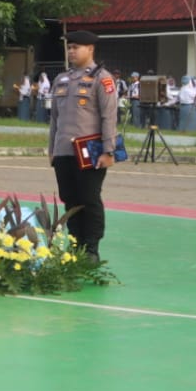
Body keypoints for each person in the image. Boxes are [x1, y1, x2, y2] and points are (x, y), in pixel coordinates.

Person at [48, 31, 119, 260]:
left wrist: (109, 151)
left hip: (91, 152)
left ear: (90, 49)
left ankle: (91, 248)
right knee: (69, 198)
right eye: (69, 47)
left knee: (89, 198)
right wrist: (52, 150)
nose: (71, 51)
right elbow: (54, 119)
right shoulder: (61, 79)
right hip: (64, 151)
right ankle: (75, 244)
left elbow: (109, 116)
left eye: (76, 47)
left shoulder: (103, 79)